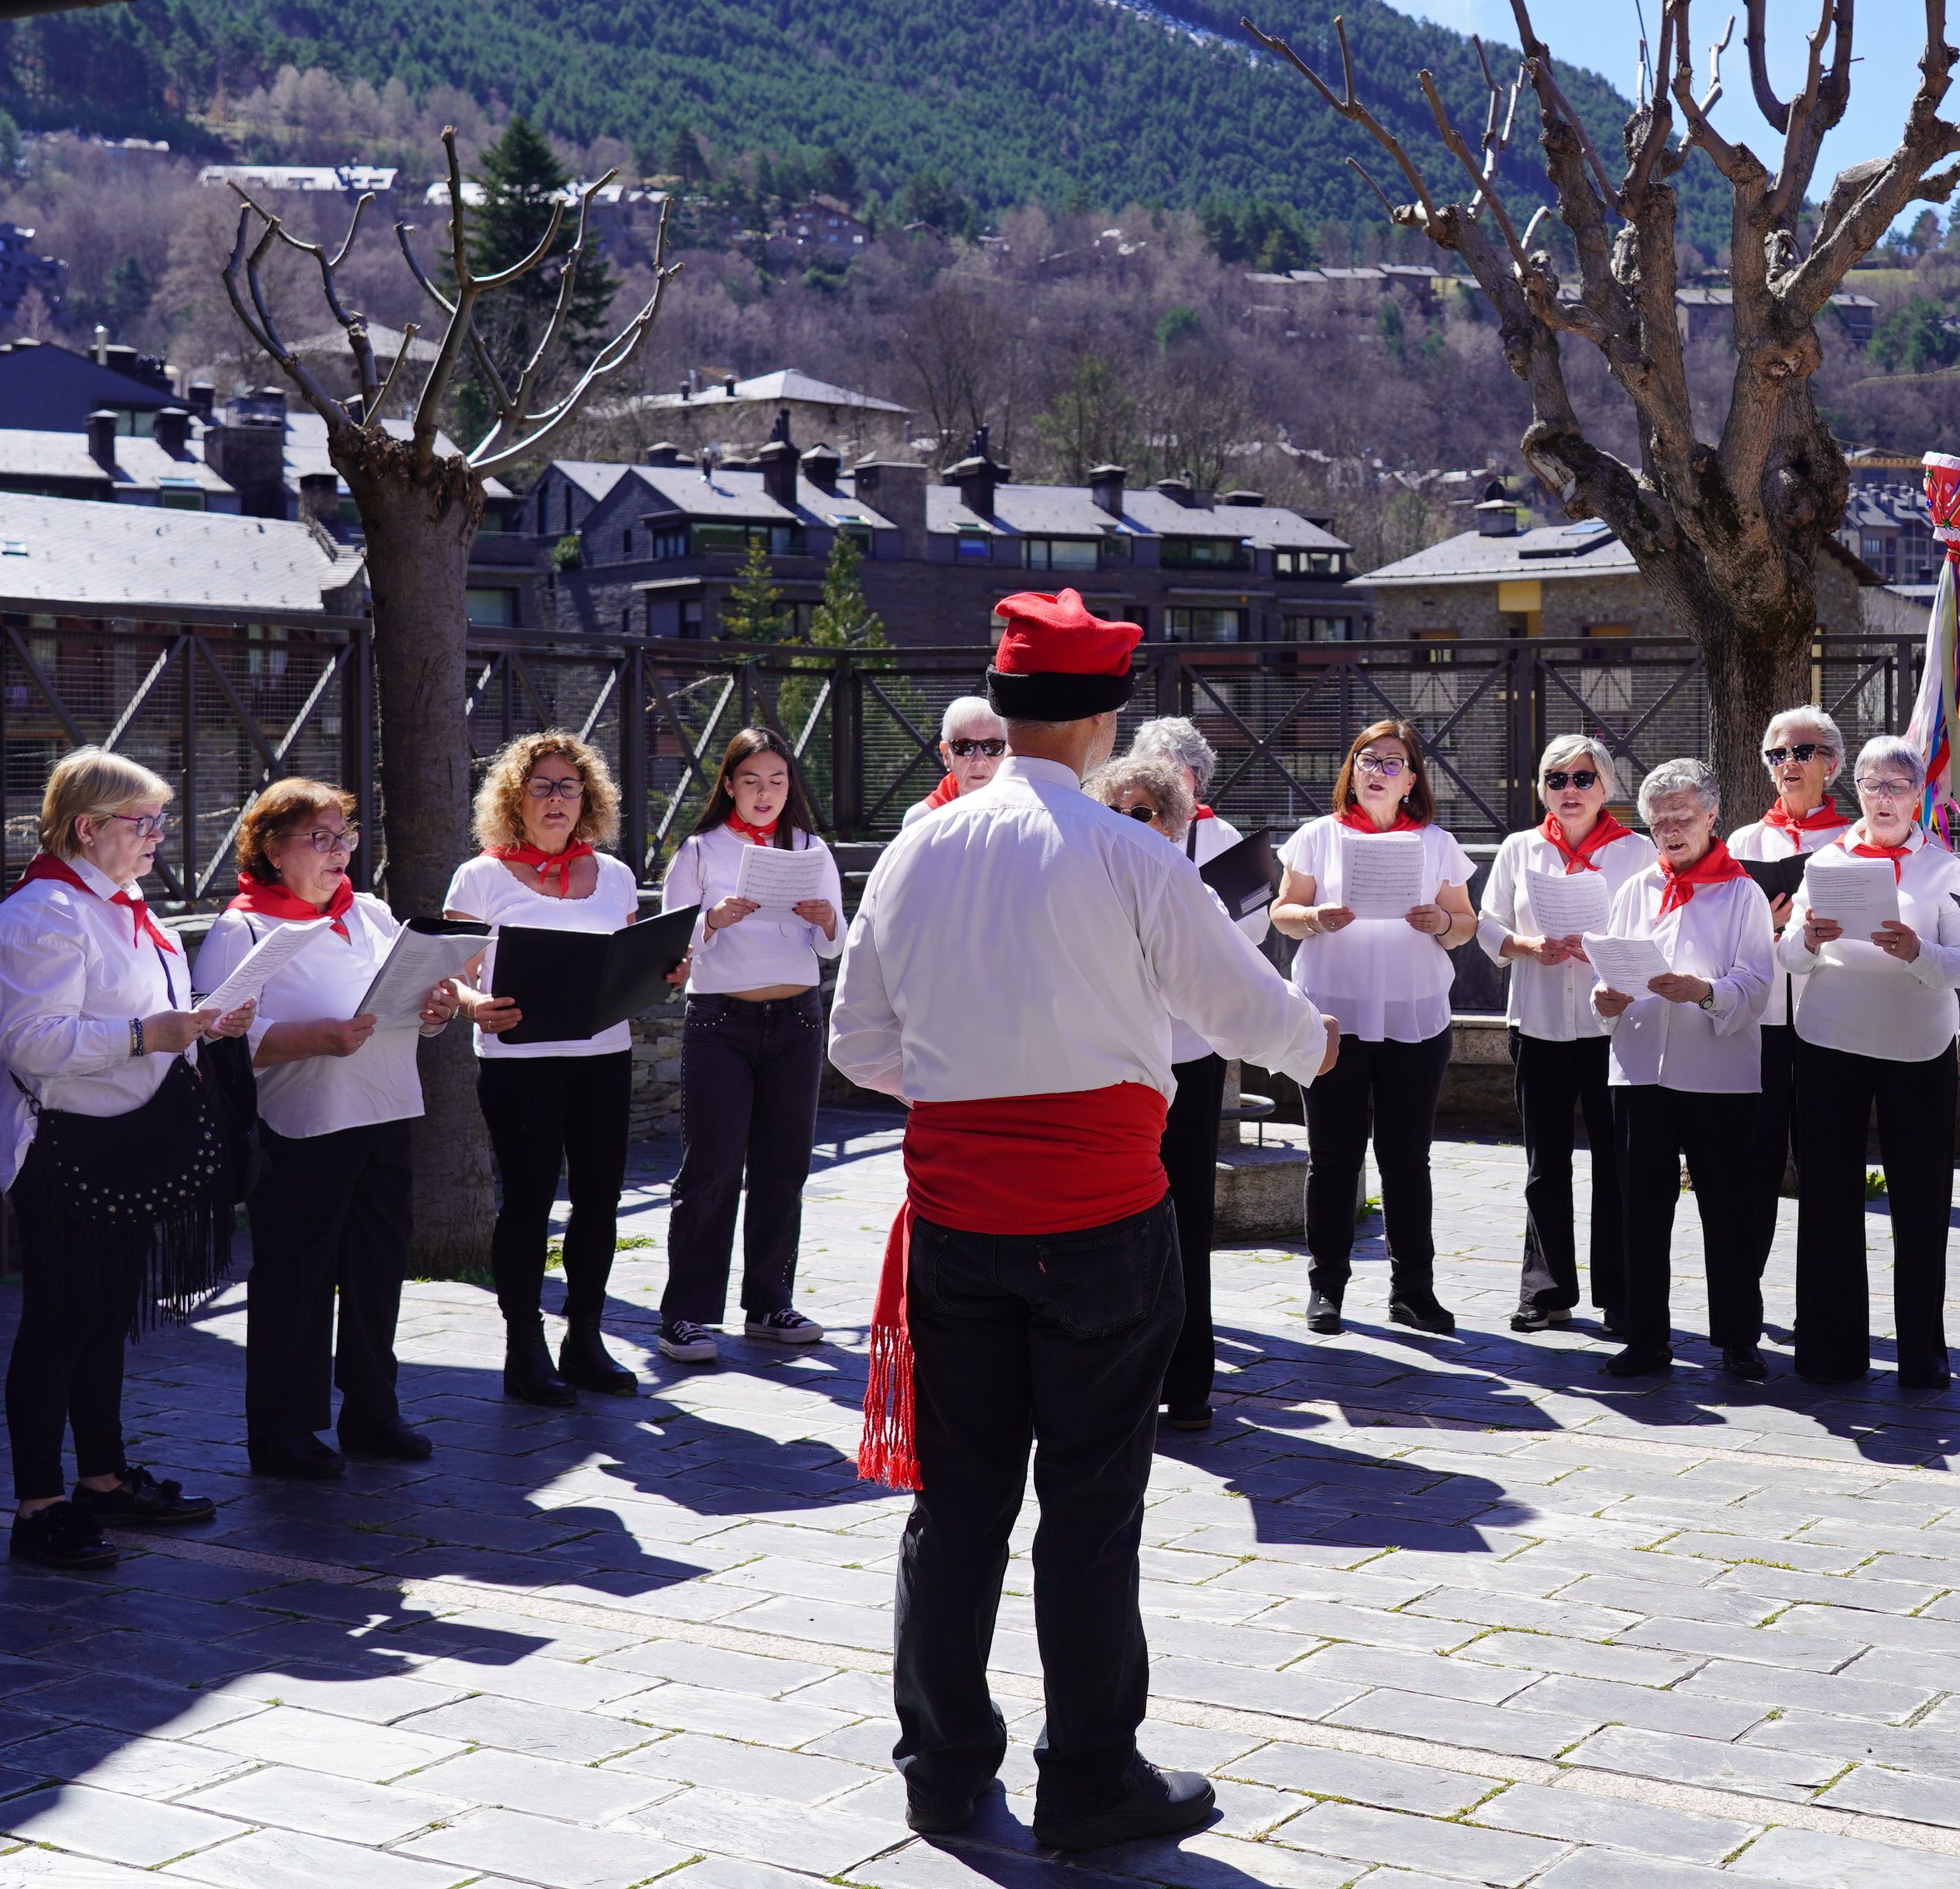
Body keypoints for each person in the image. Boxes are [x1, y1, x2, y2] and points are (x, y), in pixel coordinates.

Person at [829, 588, 1340, 1846]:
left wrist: (969, 1092)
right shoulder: (1129, 854)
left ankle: (942, 1765)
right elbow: (1255, 1018)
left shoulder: (915, 846)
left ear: (1001, 710)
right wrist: (1316, 1042)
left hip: (958, 1215)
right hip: (1103, 1218)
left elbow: (857, 1044)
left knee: (958, 1505)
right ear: (1106, 718)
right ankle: (1090, 1773)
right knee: (1094, 1502)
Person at [0, 748, 252, 1569]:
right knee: (59, 1323)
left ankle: (101, 1481)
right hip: (64, 1147)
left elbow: (140, 1009)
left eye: (160, 822)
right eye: (143, 823)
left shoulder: (128, 905)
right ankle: (39, 1505)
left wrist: (199, 1022)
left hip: (127, 1139)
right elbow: (33, 1045)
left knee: (103, 1321)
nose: (158, 838)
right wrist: (150, 1033)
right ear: (87, 827)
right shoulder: (44, 915)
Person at [196, 778, 471, 1479]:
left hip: (384, 1108)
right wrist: (310, 1037)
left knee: (379, 1267)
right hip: (302, 1123)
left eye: (343, 836)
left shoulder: (371, 913)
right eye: (317, 838)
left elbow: (407, 1001)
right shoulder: (245, 927)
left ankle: (372, 1410)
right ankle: (283, 1429)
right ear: (270, 849)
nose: (337, 852)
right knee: (298, 1276)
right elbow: (214, 1040)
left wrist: (437, 1008)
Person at [447, 730, 672, 1407]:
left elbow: (629, 967)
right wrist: (473, 1003)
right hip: (521, 1064)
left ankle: (586, 1339)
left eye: (568, 787)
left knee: (600, 1203)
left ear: (587, 799)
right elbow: (446, 978)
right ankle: (524, 1350)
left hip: (603, 1058)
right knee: (527, 1205)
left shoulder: (616, 875)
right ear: (515, 799)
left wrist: (664, 974)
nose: (555, 799)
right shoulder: (479, 876)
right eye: (540, 786)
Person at [1779, 736, 1960, 1387]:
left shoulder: (1941, 867)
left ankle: (1922, 1355)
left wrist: (1918, 950)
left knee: (1920, 1202)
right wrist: (1806, 939)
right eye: (1873, 786)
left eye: (1897, 786)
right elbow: (1787, 956)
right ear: (1856, 791)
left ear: (1918, 793)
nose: (1884, 798)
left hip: (1915, 1047)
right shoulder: (1828, 858)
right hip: (1830, 1040)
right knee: (1828, 1199)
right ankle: (1830, 1351)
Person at [1272, 717, 1476, 1336]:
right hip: (1334, 1014)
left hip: (1414, 1016)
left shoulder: (1436, 843)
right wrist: (1315, 917)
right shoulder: (1316, 836)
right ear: (1351, 771)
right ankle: (1326, 1287)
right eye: (1367, 758)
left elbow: (1465, 924)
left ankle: (1413, 1290)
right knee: (1332, 1158)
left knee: (1407, 1159)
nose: (1378, 771)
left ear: (1412, 779)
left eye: (1393, 762)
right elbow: (1283, 912)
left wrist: (1440, 922)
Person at [653, 728, 846, 1367]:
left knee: (784, 1165)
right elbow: (673, 947)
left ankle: (769, 1301)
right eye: (751, 781)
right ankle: (685, 1313)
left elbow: (833, 947)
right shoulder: (702, 850)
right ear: (729, 785)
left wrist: (823, 920)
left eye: (777, 781)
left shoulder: (811, 848)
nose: (765, 794)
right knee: (710, 1169)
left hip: (797, 1020)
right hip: (721, 1023)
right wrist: (712, 920)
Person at [1593, 757, 1776, 1380]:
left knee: (1728, 1208)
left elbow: (1756, 984)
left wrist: (1703, 991)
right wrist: (1604, 1000)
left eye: (1683, 816)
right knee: (1641, 1209)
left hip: (1718, 1073)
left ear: (1711, 816)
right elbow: (1611, 970)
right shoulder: (1633, 890)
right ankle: (1646, 1337)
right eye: (1659, 821)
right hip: (1639, 1070)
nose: (1671, 830)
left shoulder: (1742, 891)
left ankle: (1738, 1339)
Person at [1475, 733, 1652, 1335]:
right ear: (1541, 789)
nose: (1569, 790)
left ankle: (1621, 1294)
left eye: (1582, 778)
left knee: (1617, 1161)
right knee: (1544, 1163)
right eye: (1556, 779)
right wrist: (1527, 945)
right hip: (1540, 1022)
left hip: (1613, 1026)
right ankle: (1545, 1291)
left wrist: (1602, 951)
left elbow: (1656, 931)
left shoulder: (1637, 852)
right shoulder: (1519, 849)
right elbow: (1486, 923)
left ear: (1606, 787)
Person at [1092, 746, 1238, 1433]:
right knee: (1111, 1231)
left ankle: (1189, 1382)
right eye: (1114, 811)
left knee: (1184, 1224)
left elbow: (1220, 988)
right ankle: (1119, 1379)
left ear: (1174, 823)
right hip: (1110, 1075)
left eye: (1142, 813)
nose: (1126, 822)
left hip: (1184, 1067)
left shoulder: (1191, 889)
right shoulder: (1080, 890)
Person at [1729, 705, 1853, 1284]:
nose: (1787, 764)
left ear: (1830, 764)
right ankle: (1741, 1303)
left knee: (1827, 1167)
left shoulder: (1856, 839)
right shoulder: (1743, 840)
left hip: (1830, 1017)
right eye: (1776, 754)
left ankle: (1824, 1310)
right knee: (1751, 1163)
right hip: (1763, 1022)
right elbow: (1721, 936)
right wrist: (1766, 927)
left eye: (1801, 752)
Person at [915, 696, 1008, 817]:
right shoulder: (921, 820)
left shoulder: (1025, 813)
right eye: (965, 747)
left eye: (992, 747)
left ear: (1006, 752)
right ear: (946, 754)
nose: (979, 761)